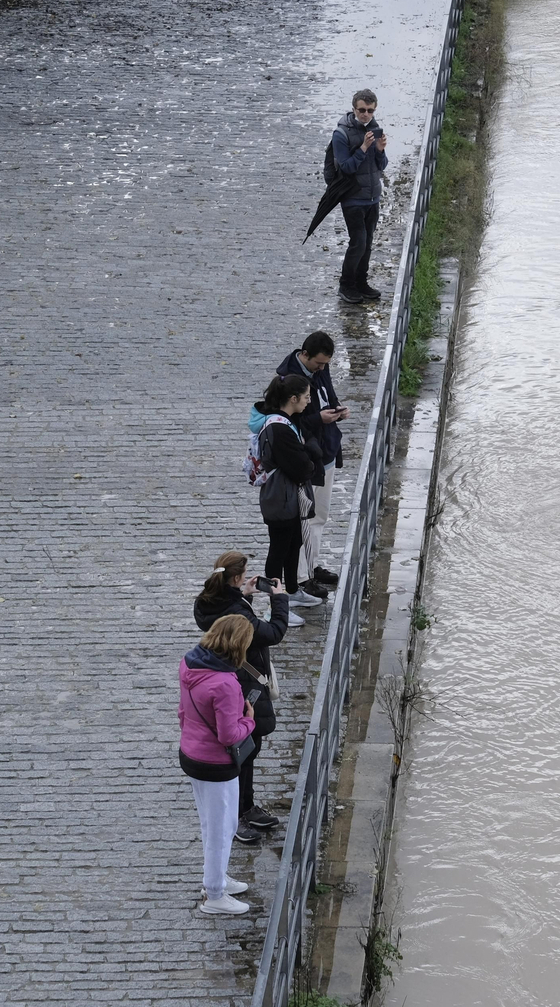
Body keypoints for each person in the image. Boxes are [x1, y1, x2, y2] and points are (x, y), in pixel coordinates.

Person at [195, 551, 290, 845]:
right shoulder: (237, 613)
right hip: (243, 685)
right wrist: (279, 598)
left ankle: (246, 807)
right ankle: (236, 816)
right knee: (242, 752)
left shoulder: (208, 602)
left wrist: (243, 595)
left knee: (246, 751)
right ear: (236, 577)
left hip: (233, 678)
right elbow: (273, 632)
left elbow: (231, 611)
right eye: (244, 575)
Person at [179, 615, 258, 915]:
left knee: (214, 823)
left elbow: (183, 711)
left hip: (192, 754)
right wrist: (248, 720)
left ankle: (217, 876)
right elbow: (229, 734)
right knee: (221, 828)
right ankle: (214, 894)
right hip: (215, 763)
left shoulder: (189, 664)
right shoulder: (225, 683)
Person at [278, 331, 348, 599]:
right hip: (308, 459)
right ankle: (301, 577)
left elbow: (326, 398)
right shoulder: (288, 381)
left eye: (325, 364)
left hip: (325, 451)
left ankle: (312, 565)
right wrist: (320, 419)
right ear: (304, 355)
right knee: (307, 519)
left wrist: (337, 411)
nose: (322, 368)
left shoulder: (320, 369)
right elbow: (291, 424)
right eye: (318, 363)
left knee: (319, 516)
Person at [251, 373, 322, 608]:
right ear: (293, 398)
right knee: (279, 550)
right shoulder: (279, 429)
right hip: (280, 498)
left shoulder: (288, 420)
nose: (308, 401)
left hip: (287, 496)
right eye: (306, 397)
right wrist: (311, 454)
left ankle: (291, 591)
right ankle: (276, 605)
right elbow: (302, 468)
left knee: (295, 542)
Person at [331, 88, 389, 304]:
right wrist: (364, 147)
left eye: (370, 111)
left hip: (373, 197)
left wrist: (380, 150)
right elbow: (345, 167)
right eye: (362, 110)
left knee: (368, 242)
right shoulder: (341, 134)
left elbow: (380, 166)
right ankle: (346, 285)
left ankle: (361, 282)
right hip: (353, 198)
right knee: (358, 242)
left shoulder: (375, 129)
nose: (366, 114)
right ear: (354, 108)